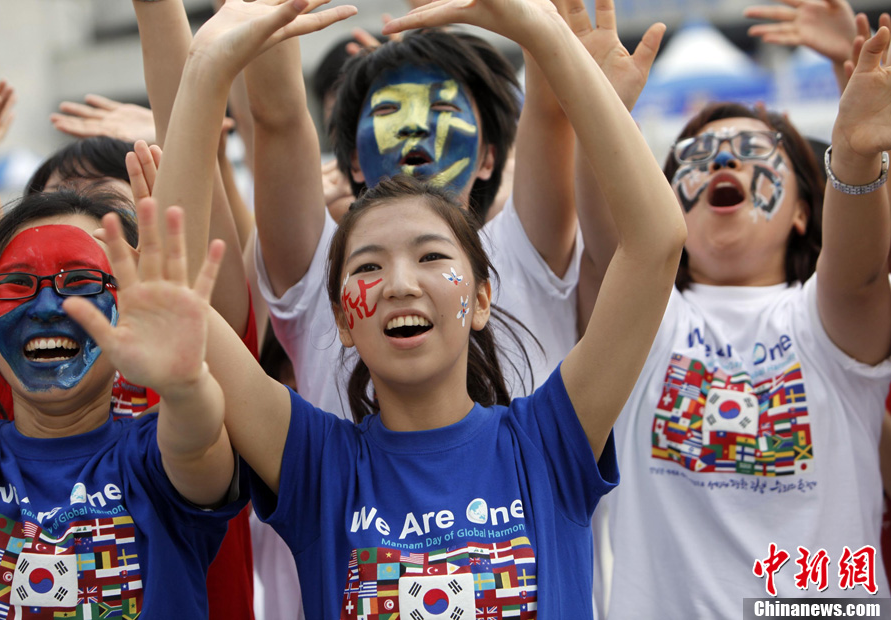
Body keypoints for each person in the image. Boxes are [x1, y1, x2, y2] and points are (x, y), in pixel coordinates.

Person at [136, 0, 685, 617]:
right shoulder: (318, 467)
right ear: (342, 319)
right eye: (367, 266)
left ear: (481, 298)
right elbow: (180, 297)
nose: (399, 283)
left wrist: (544, 33)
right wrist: (208, 66)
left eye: (429, 257)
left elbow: (656, 242)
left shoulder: (550, 441)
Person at [571, 14, 891, 614]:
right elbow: (610, 241)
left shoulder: (824, 324)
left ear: (802, 211)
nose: (724, 164)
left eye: (752, 153)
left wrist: (851, 157)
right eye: (700, 156)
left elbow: (861, 275)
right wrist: (598, 111)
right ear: (665, 204)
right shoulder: (644, 323)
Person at [247, 0, 584, 421]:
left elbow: (552, 110)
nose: (414, 125)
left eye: (443, 109)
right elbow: (276, 117)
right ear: (352, 159)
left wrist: (543, 28)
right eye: (387, 110)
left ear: (488, 158)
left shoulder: (525, 252)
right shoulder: (323, 273)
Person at [0, 189, 244, 617]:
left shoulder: (151, 459)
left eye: (81, 282)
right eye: (18, 284)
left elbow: (200, 443)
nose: (47, 307)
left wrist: (185, 381)